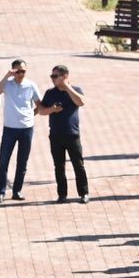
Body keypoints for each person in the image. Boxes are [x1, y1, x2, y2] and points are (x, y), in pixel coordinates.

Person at [36, 64, 88, 204]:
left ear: (65, 76)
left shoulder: (76, 90)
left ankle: (84, 193)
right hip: (55, 135)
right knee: (59, 166)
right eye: (52, 76)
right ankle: (62, 194)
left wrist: (68, 88)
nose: (52, 79)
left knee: (78, 165)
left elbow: (81, 102)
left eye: (55, 76)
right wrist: (52, 109)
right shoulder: (50, 93)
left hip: (72, 135)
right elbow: (41, 110)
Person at [0, 58, 38, 202]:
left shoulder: (31, 85)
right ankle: (0, 193)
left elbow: (39, 104)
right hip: (10, 128)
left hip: (26, 129)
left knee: (22, 162)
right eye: (18, 71)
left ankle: (17, 191)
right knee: (3, 161)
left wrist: (30, 116)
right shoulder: (8, 84)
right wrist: (7, 76)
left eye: (23, 71)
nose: (21, 74)